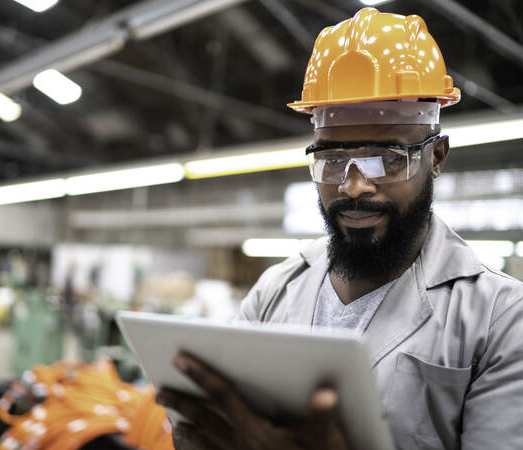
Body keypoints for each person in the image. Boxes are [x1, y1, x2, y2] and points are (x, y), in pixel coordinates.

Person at [155, 7, 523, 450]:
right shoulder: (276, 289)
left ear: (437, 156)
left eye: (387, 158)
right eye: (332, 160)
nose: (353, 186)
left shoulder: (501, 317)